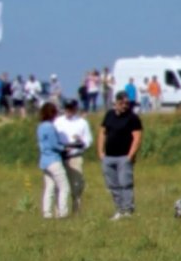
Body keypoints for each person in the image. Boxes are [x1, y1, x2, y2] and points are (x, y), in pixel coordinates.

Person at [97, 89, 143, 219]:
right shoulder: (109, 115)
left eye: (127, 103)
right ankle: (119, 209)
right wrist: (100, 152)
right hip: (109, 156)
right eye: (122, 103)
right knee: (112, 185)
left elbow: (137, 137)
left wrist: (130, 155)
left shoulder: (132, 118)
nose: (125, 105)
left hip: (124, 156)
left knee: (125, 184)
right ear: (116, 102)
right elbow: (102, 133)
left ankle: (128, 209)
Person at [56, 99, 92, 213]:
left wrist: (81, 141)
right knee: (60, 185)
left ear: (76, 109)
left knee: (76, 185)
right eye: (67, 108)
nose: (69, 111)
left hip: (75, 156)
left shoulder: (82, 122)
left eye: (71, 108)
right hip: (60, 156)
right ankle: (60, 212)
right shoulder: (58, 121)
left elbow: (88, 140)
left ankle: (76, 210)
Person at [37, 101, 70, 219]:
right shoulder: (50, 127)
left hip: (44, 160)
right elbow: (54, 144)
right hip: (53, 159)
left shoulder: (40, 126)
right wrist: (65, 148)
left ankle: (47, 212)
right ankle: (62, 212)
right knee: (64, 187)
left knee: (49, 187)